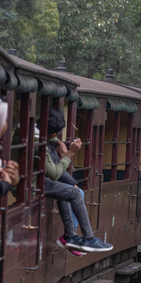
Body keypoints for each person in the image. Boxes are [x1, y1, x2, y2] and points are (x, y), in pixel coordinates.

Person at [44, 108, 112, 254]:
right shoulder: (40, 143)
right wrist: (70, 154)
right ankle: (88, 238)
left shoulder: (40, 136)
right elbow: (54, 174)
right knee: (75, 193)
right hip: (36, 183)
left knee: (69, 190)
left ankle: (71, 237)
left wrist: (59, 142)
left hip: (38, 180)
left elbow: (46, 136)